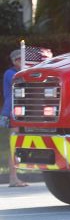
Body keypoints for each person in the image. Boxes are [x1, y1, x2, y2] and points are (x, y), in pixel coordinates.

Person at [2, 49, 27, 187]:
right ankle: (13, 178)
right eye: (21, 60)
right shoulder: (10, 74)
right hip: (11, 113)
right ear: (16, 61)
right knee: (14, 145)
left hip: (17, 112)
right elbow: (21, 82)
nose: (23, 62)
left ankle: (14, 178)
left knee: (17, 144)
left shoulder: (16, 73)